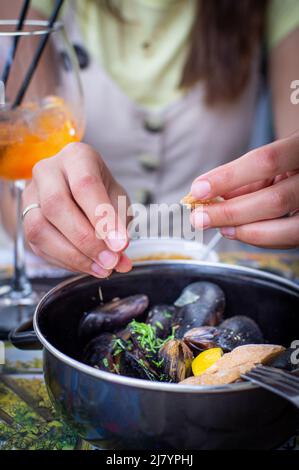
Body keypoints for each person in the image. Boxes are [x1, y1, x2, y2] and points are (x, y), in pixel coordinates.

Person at [1, 0, 299, 278]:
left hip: (221, 273)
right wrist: (43, 204)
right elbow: (21, 168)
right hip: (72, 280)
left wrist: (289, 190)